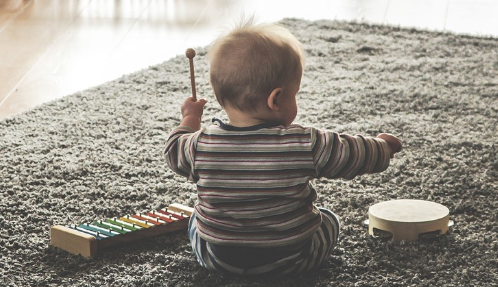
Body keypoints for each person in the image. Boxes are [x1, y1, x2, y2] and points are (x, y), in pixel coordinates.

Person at [164, 19, 402, 277]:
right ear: (276, 99)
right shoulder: (304, 143)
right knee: (329, 219)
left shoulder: (199, 145)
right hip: (291, 260)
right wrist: (382, 147)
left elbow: (173, 149)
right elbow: (350, 153)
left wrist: (190, 117)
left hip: (219, 259)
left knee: (196, 219)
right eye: (294, 94)